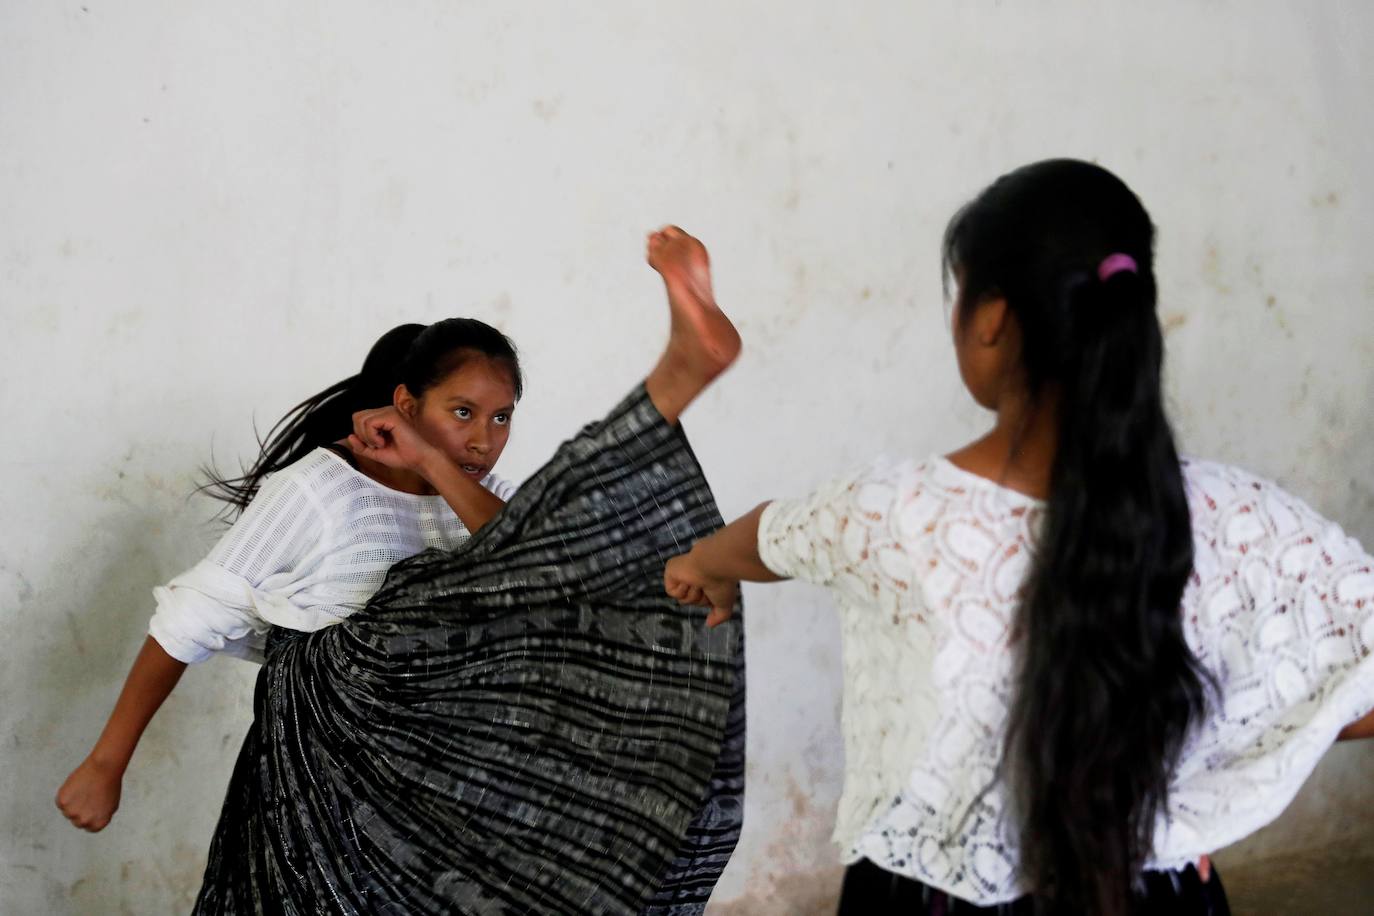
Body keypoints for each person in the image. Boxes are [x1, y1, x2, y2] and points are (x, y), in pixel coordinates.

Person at [663, 160, 1374, 914]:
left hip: (935, 899)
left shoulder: (891, 513)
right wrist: (1220, 748)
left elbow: (765, 537)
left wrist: (700, 566)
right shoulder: (1237, 517)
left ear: (991, 320)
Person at [57, 318, 524, 834]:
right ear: (406, 405)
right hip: (321, 802)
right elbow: (190, 618)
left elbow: (536, 568)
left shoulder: (490, 503)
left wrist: (434, 464)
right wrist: (105, 764)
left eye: (501, 417)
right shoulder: (317, 489)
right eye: (463, 412)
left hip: (443, 796)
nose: (484, 440)